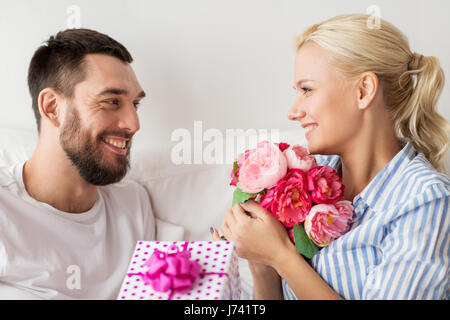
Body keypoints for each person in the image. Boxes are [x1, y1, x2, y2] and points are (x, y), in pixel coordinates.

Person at [212, 14, 449, 299]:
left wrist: (281, 256)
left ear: (364, 91)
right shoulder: (309, 177)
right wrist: (263, 266)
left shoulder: (425, 200)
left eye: (307, 90)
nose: (293, 111)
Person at [0, 29, 155, 299]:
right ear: (52, 107)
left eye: (135, 104)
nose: (134, 124)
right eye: (111, 101)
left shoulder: (134, 205)